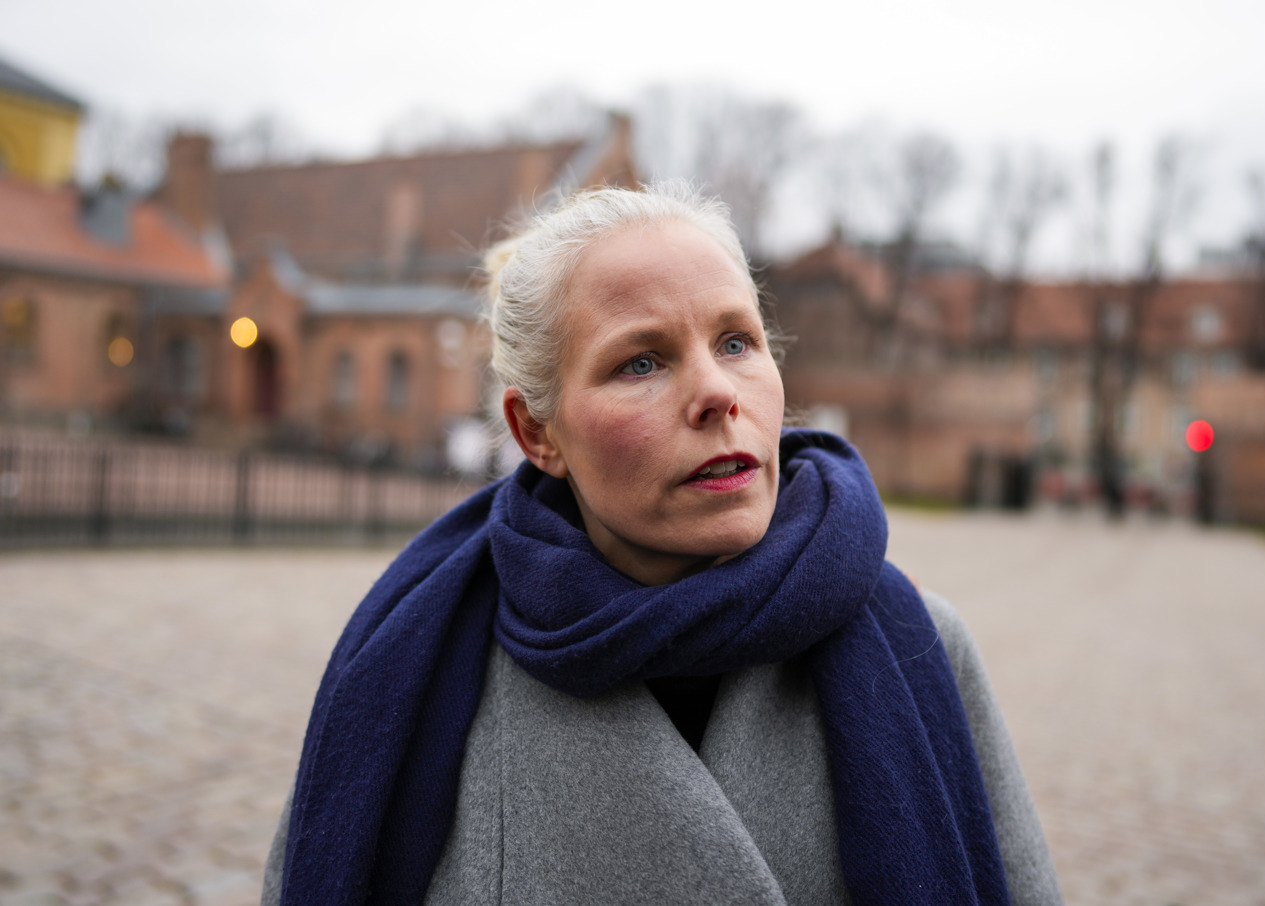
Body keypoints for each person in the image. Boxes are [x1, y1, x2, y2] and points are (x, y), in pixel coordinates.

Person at [262, 182, 1063, 905]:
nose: (717, 392)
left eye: (736, 343)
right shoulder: (418, 665)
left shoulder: (919, 642)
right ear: (537, 432)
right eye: (641, 362)